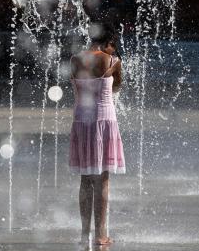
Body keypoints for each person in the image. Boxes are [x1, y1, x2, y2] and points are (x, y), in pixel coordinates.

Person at [70, 22, 125, 246]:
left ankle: (85, 234)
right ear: (109, 43)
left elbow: (76, 86)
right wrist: (113, 66)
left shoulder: (75, 60)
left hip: (82, 120)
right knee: (102, 179)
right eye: (114, 45)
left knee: (85, 179)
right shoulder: (112, 60)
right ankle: (101, 234)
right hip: (104, 120)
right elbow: (116, 87)